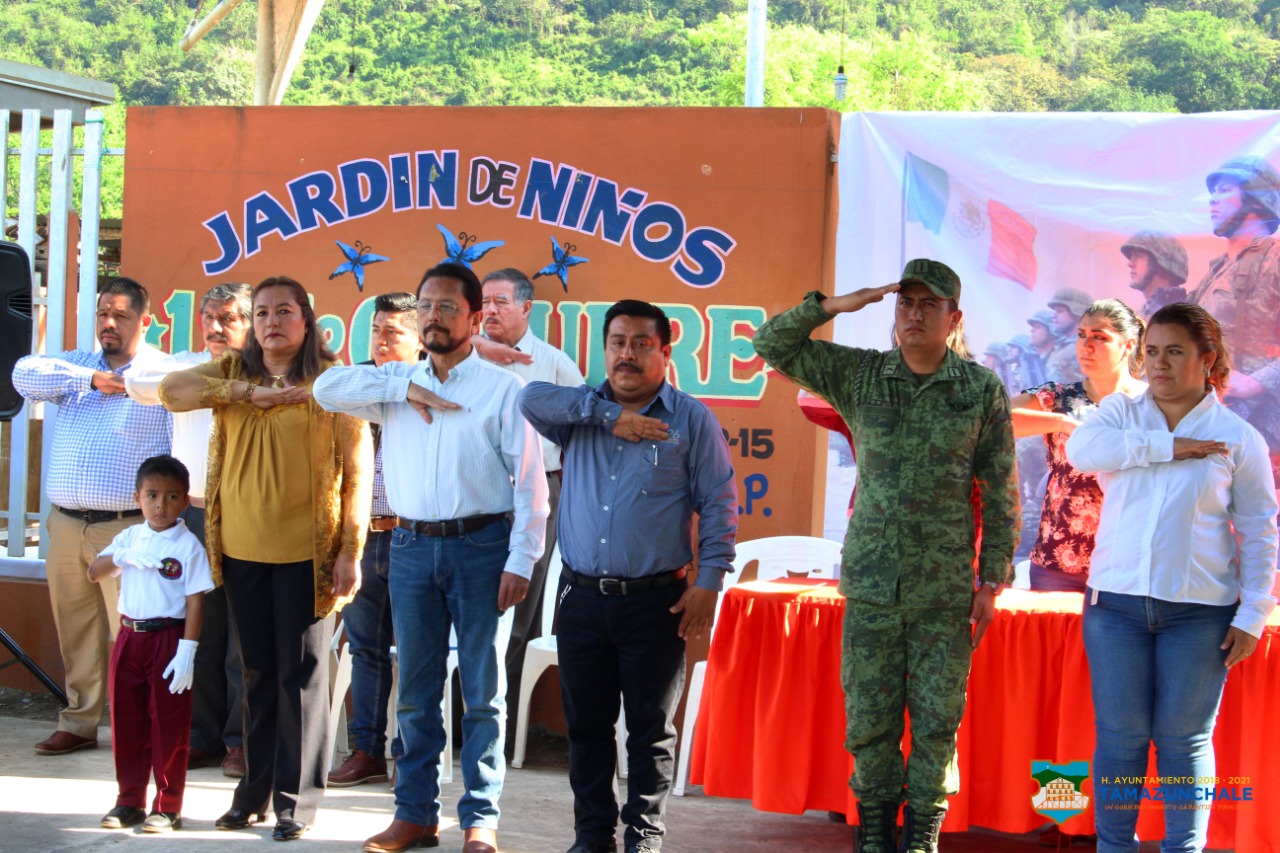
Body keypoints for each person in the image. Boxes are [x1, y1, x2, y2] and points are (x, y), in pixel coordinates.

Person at [753, 260, 1019, 853]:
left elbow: (1002, 491)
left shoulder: (979, 391)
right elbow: (771, 342)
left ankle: (921, 837)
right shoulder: (862, 375)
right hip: (873, 585)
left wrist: (991, 582)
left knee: (937, 724)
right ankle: (874, 835)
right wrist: (835, 305)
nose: (915, 314)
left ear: (954, 317)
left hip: (944, 592)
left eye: (929, 304)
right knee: (870, 721)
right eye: (906, 303)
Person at [312, 262, 547, 853]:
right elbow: (323, 389)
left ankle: (480, 820)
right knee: (416, 693)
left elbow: (530, 485)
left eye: (447, 307)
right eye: (426, 306)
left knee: (483, 693)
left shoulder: (502, 390)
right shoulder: (394, 384)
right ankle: (414, 815)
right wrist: (402, 388)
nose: (434, 317)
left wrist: (521, 560)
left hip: (483, 549)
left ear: (475, 317)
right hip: (411, 549)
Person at [517, 299, 737, 853]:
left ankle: (644, 836)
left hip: (656, 601)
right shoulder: (581, 413)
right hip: (583, 599)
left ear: (665, 352)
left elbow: (719, 504)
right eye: (617, 342)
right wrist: (610, 417)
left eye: (642, 344)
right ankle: (593, 836)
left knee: (650, 730)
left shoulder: (691, 420)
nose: (627, 354)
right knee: (586, 728)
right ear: (605, 350)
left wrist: (708, 581)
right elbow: (529, 397)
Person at [159, 276, 372, 842]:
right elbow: (172, 391)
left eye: (284, 311)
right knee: (256, 674)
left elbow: (357, 475)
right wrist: (242, 395)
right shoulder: (232, 372)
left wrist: (350, 550)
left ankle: (296, 802)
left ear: (307, 319)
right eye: (261, 313)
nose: (271, 322)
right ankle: (252, 794)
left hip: (308, 555)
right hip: (240, 551)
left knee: (300, 678)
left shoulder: (332, 383)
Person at [1066, 302, 1278, 853]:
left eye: (1175, 351)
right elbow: (1081, 450)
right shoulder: (1119, 412)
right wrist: (1167, 447)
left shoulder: (1238, 438)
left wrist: (1254, 613)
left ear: (1207, 359)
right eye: (1152, 351)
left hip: (1200, 615)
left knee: (1184, 742)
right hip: (1115, 609)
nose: (1159, 363)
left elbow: (1260, 531)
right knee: (1121, 739)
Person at [12, 277, 173, 756]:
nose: (109, 323)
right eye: (104, 313)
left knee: (134, 633)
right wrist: (90, 380)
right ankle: (80, 722)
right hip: (65, 523)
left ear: (146, 321)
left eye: (121, 315)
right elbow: (22, 374)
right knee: (76, 628)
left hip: (127, 526)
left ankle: (137, 727)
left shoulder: (160, 374)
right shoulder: (76, 367)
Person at [126, 281, 253, 778]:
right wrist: (214, 375)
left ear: (250, 323)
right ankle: (200, 735)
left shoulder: (265, 375)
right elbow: (139, 382)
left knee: (243, 633)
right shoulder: (185, 366)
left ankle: (241, 740)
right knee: (197, 627)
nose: (217, 328)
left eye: (230, 318)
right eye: (210, 318)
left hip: (246, 516)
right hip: (194, 516)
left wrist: (236, 378)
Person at [480, 266, 586, 746]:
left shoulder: (553, 365)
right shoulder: (462, 357)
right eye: (484, 301)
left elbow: (584, 432)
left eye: (501, 301)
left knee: (520, 608)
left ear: (526, 307)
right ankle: (458, 719)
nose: (490, 310)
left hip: (540, 491)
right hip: (477, 495)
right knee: (471, 606)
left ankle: (498, 726)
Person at [90, 455, 213, 833]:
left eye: (172, 497)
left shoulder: (189, 546)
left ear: (185, 501)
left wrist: (187, 650)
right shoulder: (129, 537)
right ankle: (129, 801)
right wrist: (121, 556)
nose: (161, 505)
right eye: (152, 495)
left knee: (168, 724)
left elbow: (195, 601)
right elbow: (94, 572)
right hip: (130, 637)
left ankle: (167, 806)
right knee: (127, 720)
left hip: (168, 638)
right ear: (137, 497)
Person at [327, 291, 420, 789]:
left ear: (420, 340)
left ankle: (411, 754)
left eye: (393, 332)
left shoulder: (431, 385)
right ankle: (367, 751)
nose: (381, 341)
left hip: (412, 538)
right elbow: (324, 387)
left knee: (415, 650)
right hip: (363, 537)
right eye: (376, 330)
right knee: (365, 649)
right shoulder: (357, 383)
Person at [1010, 299, 1147, 592]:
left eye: (1100, 337)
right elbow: (994, 417)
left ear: (1128, 345)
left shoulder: (1152, 403)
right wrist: (1061, 422)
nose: (1086, 346)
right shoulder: (1058, 397)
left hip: (1129, 564)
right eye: (1082, 335)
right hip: (1058, 563)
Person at [1189, 156, 1280, 463]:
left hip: (1259, 435)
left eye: (1225, 189)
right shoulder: (1216, 271)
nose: (1213, 199)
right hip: (1211, 423)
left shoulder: (1275, 257)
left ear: (1256, 196)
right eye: (1213, 192)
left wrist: (1258, 382)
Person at [1121, 231, 1188, 321]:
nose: (1130, 264)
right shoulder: (1141, 316)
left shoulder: (1183, 316)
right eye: (1131, 257)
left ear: (1160, 264)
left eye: (1139, 256)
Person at [1045, 288, 1092, 384]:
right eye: (1054, 311)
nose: (1053, 316)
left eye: (1060, 311)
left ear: (1077, 313)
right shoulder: (1061, 346)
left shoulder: (1088, 347)